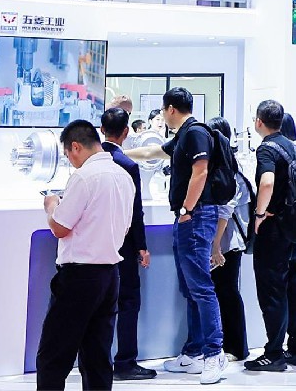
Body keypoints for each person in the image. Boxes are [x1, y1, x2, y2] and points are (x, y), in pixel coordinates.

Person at [38, 119, 136, 391]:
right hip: (109, 275)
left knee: (53, 355)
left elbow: (60, 227)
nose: (70, 161)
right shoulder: (124, 177)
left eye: (68, 155)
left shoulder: (83, 177)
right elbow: (125, 227)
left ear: (76, 147)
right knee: (97, 356)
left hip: (79, 276)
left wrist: (51, 205)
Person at [159, 88, 227, 383]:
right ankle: (195, 351)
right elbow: (155, 152)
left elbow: (201, 172)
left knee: (201, 288)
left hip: (196, 216)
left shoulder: (196, 132)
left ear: (170, 109)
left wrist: (187, 209)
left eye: (163, 110)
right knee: (191, 289)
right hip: (188, 217)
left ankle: (215, 353)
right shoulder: (183, 136)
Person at [246, 99, 296, 373]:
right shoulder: (294, 147)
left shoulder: (266, 148)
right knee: (294, 287)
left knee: (272, 291)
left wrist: (259, 214)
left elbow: (267, 182)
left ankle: (273, 354)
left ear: (259, 121)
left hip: (274, 230)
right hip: (295, 229)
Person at [100, 108, 156, 382]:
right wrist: (141, 246)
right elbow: (135, 212)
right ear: (126, 132)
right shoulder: (128, 165)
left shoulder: (88, 162)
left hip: (93, 243)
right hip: (122, 244)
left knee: (98, 304)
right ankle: (125, 362)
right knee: (128, 301)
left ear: (102, 130)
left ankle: (96, 360)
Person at [208, 117, 252, 362]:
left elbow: (226, 210)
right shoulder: (226, 166)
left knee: (227, 292)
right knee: (223, 291)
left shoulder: (230, 170)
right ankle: (228, 344)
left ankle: (236, 347)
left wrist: (216, 245)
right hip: (224, 242)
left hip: (228, 243)